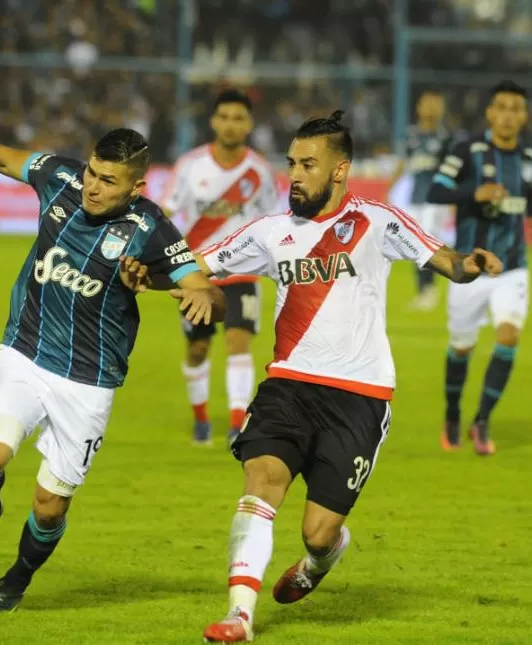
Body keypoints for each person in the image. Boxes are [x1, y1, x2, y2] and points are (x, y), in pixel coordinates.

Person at [118, 111, 502, 642]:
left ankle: (323, 559)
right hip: (289, 385)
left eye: (308, 164)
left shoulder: (377, 221)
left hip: (360, 396)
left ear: (339, 170)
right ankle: (240, 615)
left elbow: (445, 261)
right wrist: (146, 276)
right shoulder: (271, 232)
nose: (295, 174)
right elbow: (200, 265)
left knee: (317, 532)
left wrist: (471, 264)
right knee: (262, 482)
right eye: (292, 164)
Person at [0, 125, 225, 612]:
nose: (94, 187)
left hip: (89, 382)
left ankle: (15, 580)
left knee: (49, 505)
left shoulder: (151, 229)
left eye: (108, 181)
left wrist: (199, 296)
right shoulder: (60, 178)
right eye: (93, 173)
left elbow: (204, 287)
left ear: (135, 189)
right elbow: (1, 155)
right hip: (25, 352)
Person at [425, 80, 532, 456]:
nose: (509, 115)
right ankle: (451, 413)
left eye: (516, 109)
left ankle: (482, 420)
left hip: (512, 266)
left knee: (509, 336)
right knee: (461, 348)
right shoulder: (467, 151)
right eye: (502, 108)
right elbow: (436, 190)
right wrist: (472, 193)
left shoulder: (528, 158)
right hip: (469, 268)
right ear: (490, 113)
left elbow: (526, 191)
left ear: (524, 117)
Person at [160, 89, 280, 447]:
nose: (230, 125)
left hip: (242, 272)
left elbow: (273, 221)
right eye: (224, 117)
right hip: (196, 273)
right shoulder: (190, 165)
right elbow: (165, 213)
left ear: (249, 124)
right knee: (198, 348)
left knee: (238, 341)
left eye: (238, 118)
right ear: (213, 121)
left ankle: (235, 423)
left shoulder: (260, 172)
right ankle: (200, 419)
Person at [387, 90, 456, 310]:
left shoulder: (445, 139)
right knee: (414, 245)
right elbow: (402, 164)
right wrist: (388, 190)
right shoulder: (411, 136)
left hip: (435, 200)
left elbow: (452, 172)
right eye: (427, 104)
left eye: (435, 105)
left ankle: (429, 290)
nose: (431, 109)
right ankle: (426, 289)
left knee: (424, 243)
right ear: (419, 108)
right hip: (415, 197)